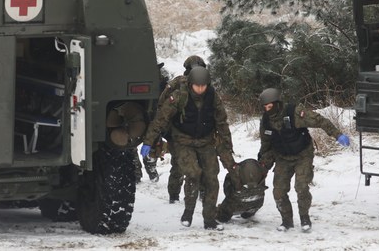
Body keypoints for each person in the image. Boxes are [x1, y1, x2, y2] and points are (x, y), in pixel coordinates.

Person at [141, 66, 237, 230]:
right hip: (183, 140)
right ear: (191, 83)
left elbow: (222, 122)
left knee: (212, 178)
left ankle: (209, 219)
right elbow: (161, 119)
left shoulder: (213, 97)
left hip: (206, 141)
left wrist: (227, 145)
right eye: (197, 86)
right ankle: (188, 211)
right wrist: (148, 141)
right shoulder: (179, 96)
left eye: (203, 86)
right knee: (193, 173)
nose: (200, 89)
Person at [257, 88, 350, 232]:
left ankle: (304, 218)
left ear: (277, 104)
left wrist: (337, 135)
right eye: (265, 108)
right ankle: (286, 221)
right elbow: (266, 143)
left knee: (301, 187)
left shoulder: (294, 113)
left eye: (269, 107)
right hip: (282, 156)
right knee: (279, 191)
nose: (267, 110)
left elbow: (320, 121)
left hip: (302, 155)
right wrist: (263, 163)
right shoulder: (266, 121)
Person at [154, 55, 208, 203]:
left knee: (200, 163)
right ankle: (174, 196)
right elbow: (163, 105)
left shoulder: (204, 83)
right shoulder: (177, 84)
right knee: (179, 164)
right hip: (177, 131)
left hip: (199, 130)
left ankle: (200, 194)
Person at [216, 158, 268, 223]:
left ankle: (225, 214)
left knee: (222, 217)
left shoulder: (234, 175)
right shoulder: (261, 174)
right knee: (249, 211)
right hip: (257, 203)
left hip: (236, 204)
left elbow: (227, 191)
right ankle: (248, 213)